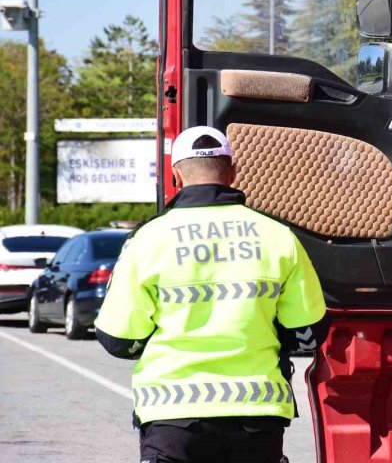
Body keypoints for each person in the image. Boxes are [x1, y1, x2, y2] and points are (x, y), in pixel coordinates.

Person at [95, 125, 329, 463]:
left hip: (172, 417)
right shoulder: (277, 236)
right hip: (257, 415)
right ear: (232, 172)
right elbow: (308, 333)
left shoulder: (146, 240)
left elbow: (118, 338)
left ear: (176, 175)